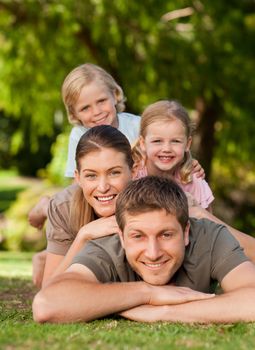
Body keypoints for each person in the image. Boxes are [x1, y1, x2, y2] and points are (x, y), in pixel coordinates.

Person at [32, 176, 255, 324]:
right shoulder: (107, 246)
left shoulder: (211, 236)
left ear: (186, 231)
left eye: (166, 235)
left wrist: (165, 312)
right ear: (121, 236)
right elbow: (47, 305)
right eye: (138, 236)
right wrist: (148, 293)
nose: (153, 252)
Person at [40, 125, 134, 287]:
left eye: (114, 173)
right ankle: (41, 208)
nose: (103, 187)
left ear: (133, 169)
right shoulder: (63, 207)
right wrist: (84, 235)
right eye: (91, 175)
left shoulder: (147, 202)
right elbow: (48, 290)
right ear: (77, 177)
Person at [132, 100, 214, 210]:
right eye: (157, 141)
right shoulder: (132, 173)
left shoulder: (193, 179)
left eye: (175, 141)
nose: (166, 149)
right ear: (143, 143)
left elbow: (208, 223)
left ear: (187, 144)